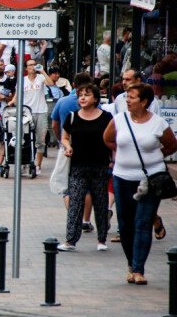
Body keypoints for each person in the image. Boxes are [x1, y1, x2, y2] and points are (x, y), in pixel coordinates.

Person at [103, 83, 177, 285]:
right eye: (127, 97)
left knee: (143, 223)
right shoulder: (119, 120)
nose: (127, 100)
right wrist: (125, 154)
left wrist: (153, 156)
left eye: (132, 97)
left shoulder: (158, 123)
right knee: (126, 224)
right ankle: (130, 264)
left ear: (144, 102)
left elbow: (171, 145)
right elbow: (108, 139)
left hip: (150, 179)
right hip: (122, 178)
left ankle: (138, 269)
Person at [57, 83, 113, 252]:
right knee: (75, 203)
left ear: (95, 98)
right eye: (80, 95)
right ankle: (70, 240)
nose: (82, 98)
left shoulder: (106, 117)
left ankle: (102, 239)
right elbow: (65, 136)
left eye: (87, 95)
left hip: (100, 166)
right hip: (78, 166)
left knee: (101, 203)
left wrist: (113, 159)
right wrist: (67, 146)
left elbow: (113, 139)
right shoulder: (73, 116)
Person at [51, 72, 96, 231]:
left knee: (68, 185)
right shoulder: (94, 102)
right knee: (88, 185)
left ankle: (73, 219)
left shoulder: (63, 101)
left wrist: (60, 140)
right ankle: (85, 220)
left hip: (67, 146)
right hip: (89, 147)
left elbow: (55, 124)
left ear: (74, 84)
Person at [10, 59, 56, 174]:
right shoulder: (22, 80)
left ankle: (38, 165)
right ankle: (25, 163)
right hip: (26, 112)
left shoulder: (40, 78)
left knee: (40, 140)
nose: (32, 67)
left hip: (40, 111)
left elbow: (51, 83)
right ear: (26, 68)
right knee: (25, 139)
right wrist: (12, 102)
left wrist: (43, 71)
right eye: (30, 65)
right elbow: (17, 95)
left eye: (34, 65)